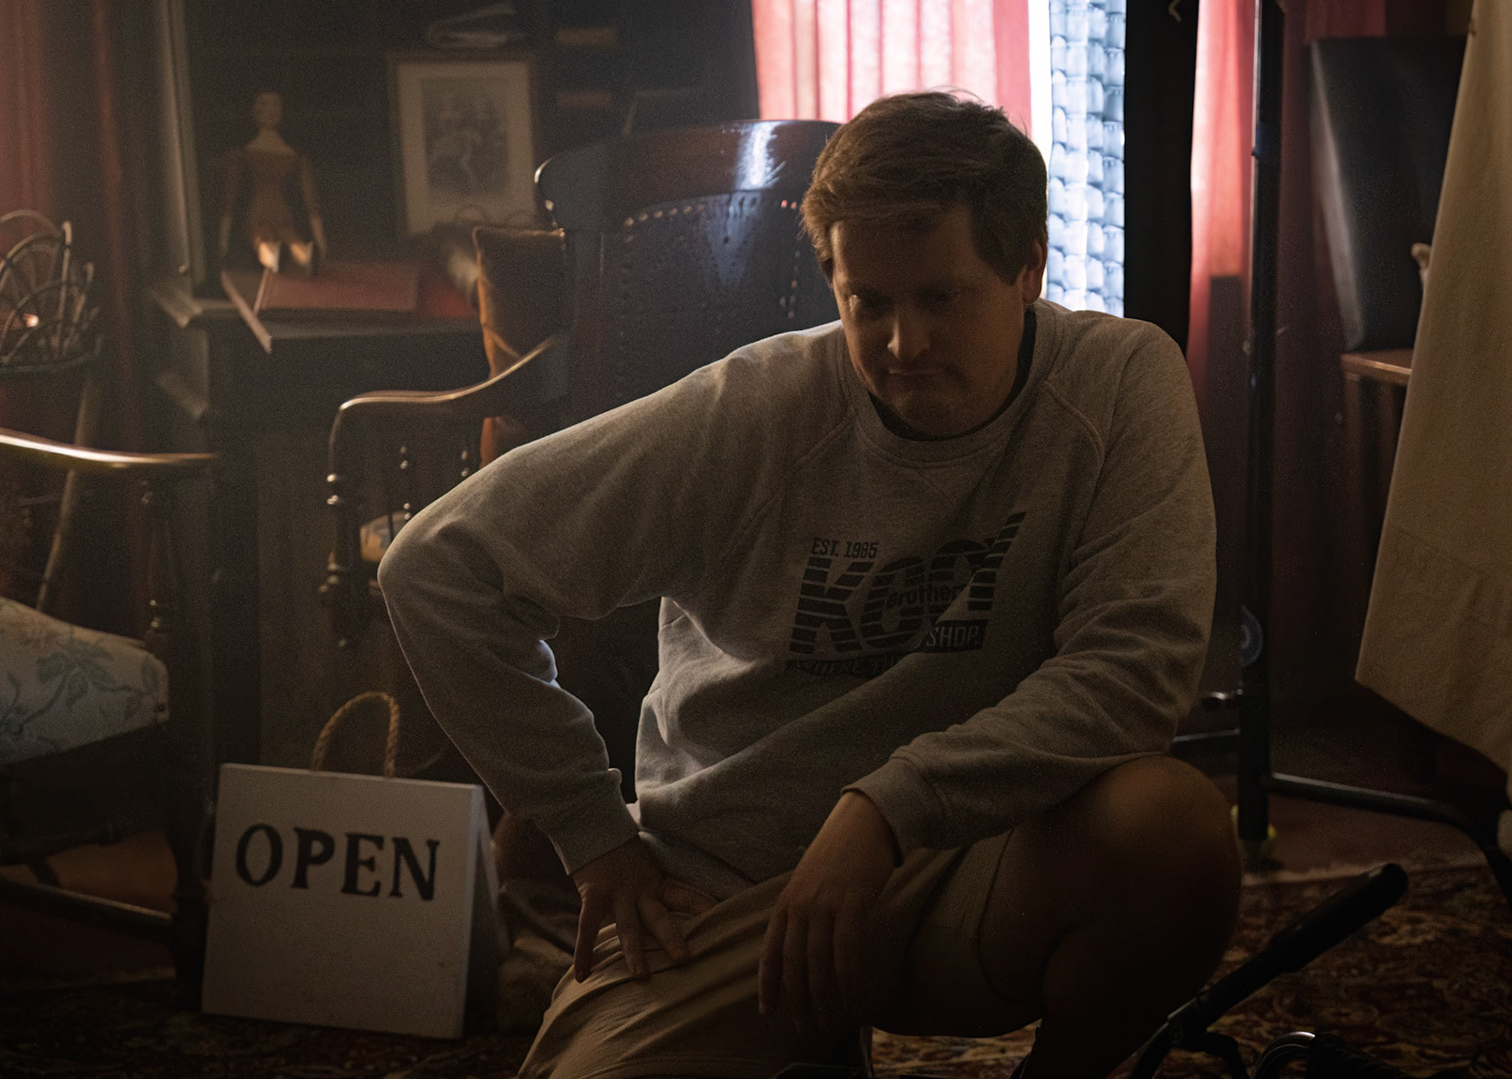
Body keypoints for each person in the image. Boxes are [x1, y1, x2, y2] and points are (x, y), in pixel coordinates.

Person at [379, 91, 1239, 1079]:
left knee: (1171, 834)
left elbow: (1136, 671)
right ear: (833, 281)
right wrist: (593, 834)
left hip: (979, 860)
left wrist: (886, 807)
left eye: (943, 298)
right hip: (730, 886)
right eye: (870, 303)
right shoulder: (754, 411)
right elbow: (438, 566)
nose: (905, 345)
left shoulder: (1120, 382)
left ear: (1029, 270)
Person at [217, 90, 326, 275]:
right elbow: (230, 196)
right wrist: (223, 239)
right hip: (260, 214)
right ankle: (286, 257)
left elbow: (311, 201)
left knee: (284, 236)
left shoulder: (293, 154)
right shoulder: (244, 152)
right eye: (264, 104)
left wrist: (321, 240)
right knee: (264, 237)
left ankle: (300, 257)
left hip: (277, 214)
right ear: (254, 110)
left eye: (275, 104)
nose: (270, 110)